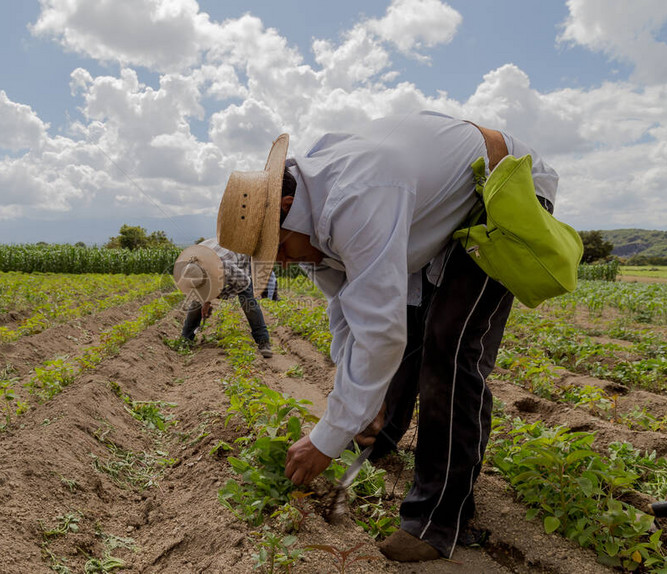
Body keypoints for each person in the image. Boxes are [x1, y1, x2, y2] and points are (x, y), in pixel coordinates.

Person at [215, 111, 559, 562]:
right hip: (433, 210)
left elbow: (380, 332)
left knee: (448, 349)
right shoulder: (313, 216)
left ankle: (436, 523)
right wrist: (356, 405)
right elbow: (346, 313)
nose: (280, 263)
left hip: (502, 190)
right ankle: (380, 434)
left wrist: (327, 437)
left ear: (284, 208)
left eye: (275, 249)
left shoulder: (356, 199)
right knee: (412, 334)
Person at [175, 238, 274, 358]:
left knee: (248, 302)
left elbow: (244, 283)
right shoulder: (192, 264)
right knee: (196, 303)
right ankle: (186, 339)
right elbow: (202, 288)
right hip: (214, 254)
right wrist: (205, 300)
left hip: (240, 258)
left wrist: (219, 294)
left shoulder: (226, 268)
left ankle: (263, 341)